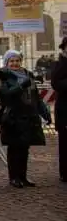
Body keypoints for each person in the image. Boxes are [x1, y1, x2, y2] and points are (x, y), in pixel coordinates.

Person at [0, 50, 48, 188]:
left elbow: (36, 96)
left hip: (29, 115)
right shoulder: (2, 76)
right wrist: (20, 86)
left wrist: (44, 112)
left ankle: (23, 176)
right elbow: (5, 94)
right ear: (6, 63)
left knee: (25, 147)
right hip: (13, 115)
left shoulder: (28, 74)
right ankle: (14, 177)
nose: (15, 63)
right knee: (14, 147)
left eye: (17, 60)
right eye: (11, 61)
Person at [51, 37, 67, 183]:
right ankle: (65, 172)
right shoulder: (59, 64)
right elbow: (56, 83)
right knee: (65, 143)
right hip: (65, 109)